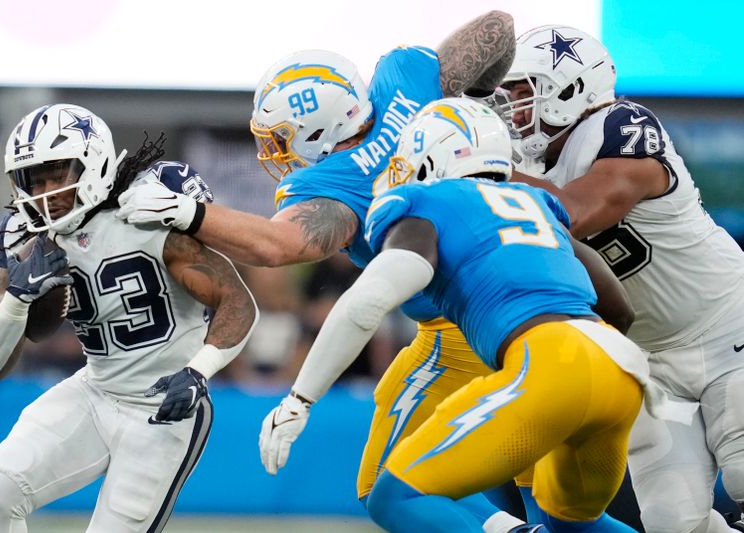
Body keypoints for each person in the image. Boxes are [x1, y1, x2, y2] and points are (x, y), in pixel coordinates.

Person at [116, 10, 533, 529]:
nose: (276, 153)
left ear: (320, 128)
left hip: (462, 325)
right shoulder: (405, 76)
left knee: (388, 485)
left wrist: (191, 212)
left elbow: (276, 245)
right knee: (552, 494)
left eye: (282, 138)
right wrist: (473, 101)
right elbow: (497, 28)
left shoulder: (337, 187)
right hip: (539, 270)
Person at [282, 96, 687, 533]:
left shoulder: (425, 202)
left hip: (552, 365)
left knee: (393, 495)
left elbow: (366, 305)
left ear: (429, 157)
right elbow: (618, 308)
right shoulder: (536, 203)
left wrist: (300, 398)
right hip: (619, 370)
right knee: (573, 525)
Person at [499, 24, 744, 533]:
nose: (515, 110)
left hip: (727, 327)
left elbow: (577, 210)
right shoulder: (518, 161)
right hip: (648, 363)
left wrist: (475, 171)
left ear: (570, 90)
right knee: (673, 522)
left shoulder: (621, 125)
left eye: (526, 93)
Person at [0, 104, 258, 533]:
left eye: (58, 174)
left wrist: (199, 371)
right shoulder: (27, 237)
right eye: (36, 179)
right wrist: (17, 298)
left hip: (161, 409)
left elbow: (238, 301)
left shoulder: (145, 214)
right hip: (96, 391)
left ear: (92, 164)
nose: (47, 191)